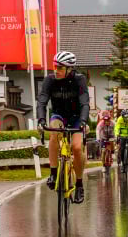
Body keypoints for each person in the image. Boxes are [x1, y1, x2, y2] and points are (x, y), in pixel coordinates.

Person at [36, 51, 90, 204]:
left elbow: (85, 103)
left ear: (69, 69)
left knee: (77, 148)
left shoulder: (79, 79)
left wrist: (83, 121)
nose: (56, 70)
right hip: (59, 115)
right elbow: (42, 101)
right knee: (54, 133)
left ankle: (79, 184)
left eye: (60, 68)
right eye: (55, 66)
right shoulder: (50, 80)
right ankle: (54, 174)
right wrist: (41, 120)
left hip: (77, 118)